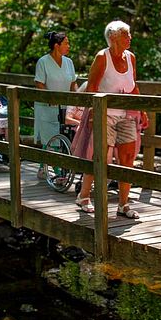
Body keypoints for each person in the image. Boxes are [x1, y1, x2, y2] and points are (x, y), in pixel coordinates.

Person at [72, 20, 148, 217]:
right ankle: (84, 196)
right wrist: (93, 116)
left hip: (126, 115)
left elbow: (133, 86)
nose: (130, 38)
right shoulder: (101, 57)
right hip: (104, 114)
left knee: (128, 158)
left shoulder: (131, 57)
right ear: (113, 37)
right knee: (100, 156)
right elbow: (92, 88)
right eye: (126, 35)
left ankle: (123, 205)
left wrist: (142, 110)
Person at [34, 31, 77, 178]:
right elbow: (39, 83)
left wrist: (78, 98)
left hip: (64, 106)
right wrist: (49, 97)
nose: (68, 46)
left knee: (59, 135)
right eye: (66, 43)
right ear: (56, 45)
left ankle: (42, 167)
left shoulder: (69, 62)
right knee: (49, 138)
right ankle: (57, 171)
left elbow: (73, 83)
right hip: (47, 106)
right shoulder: (43, 61)